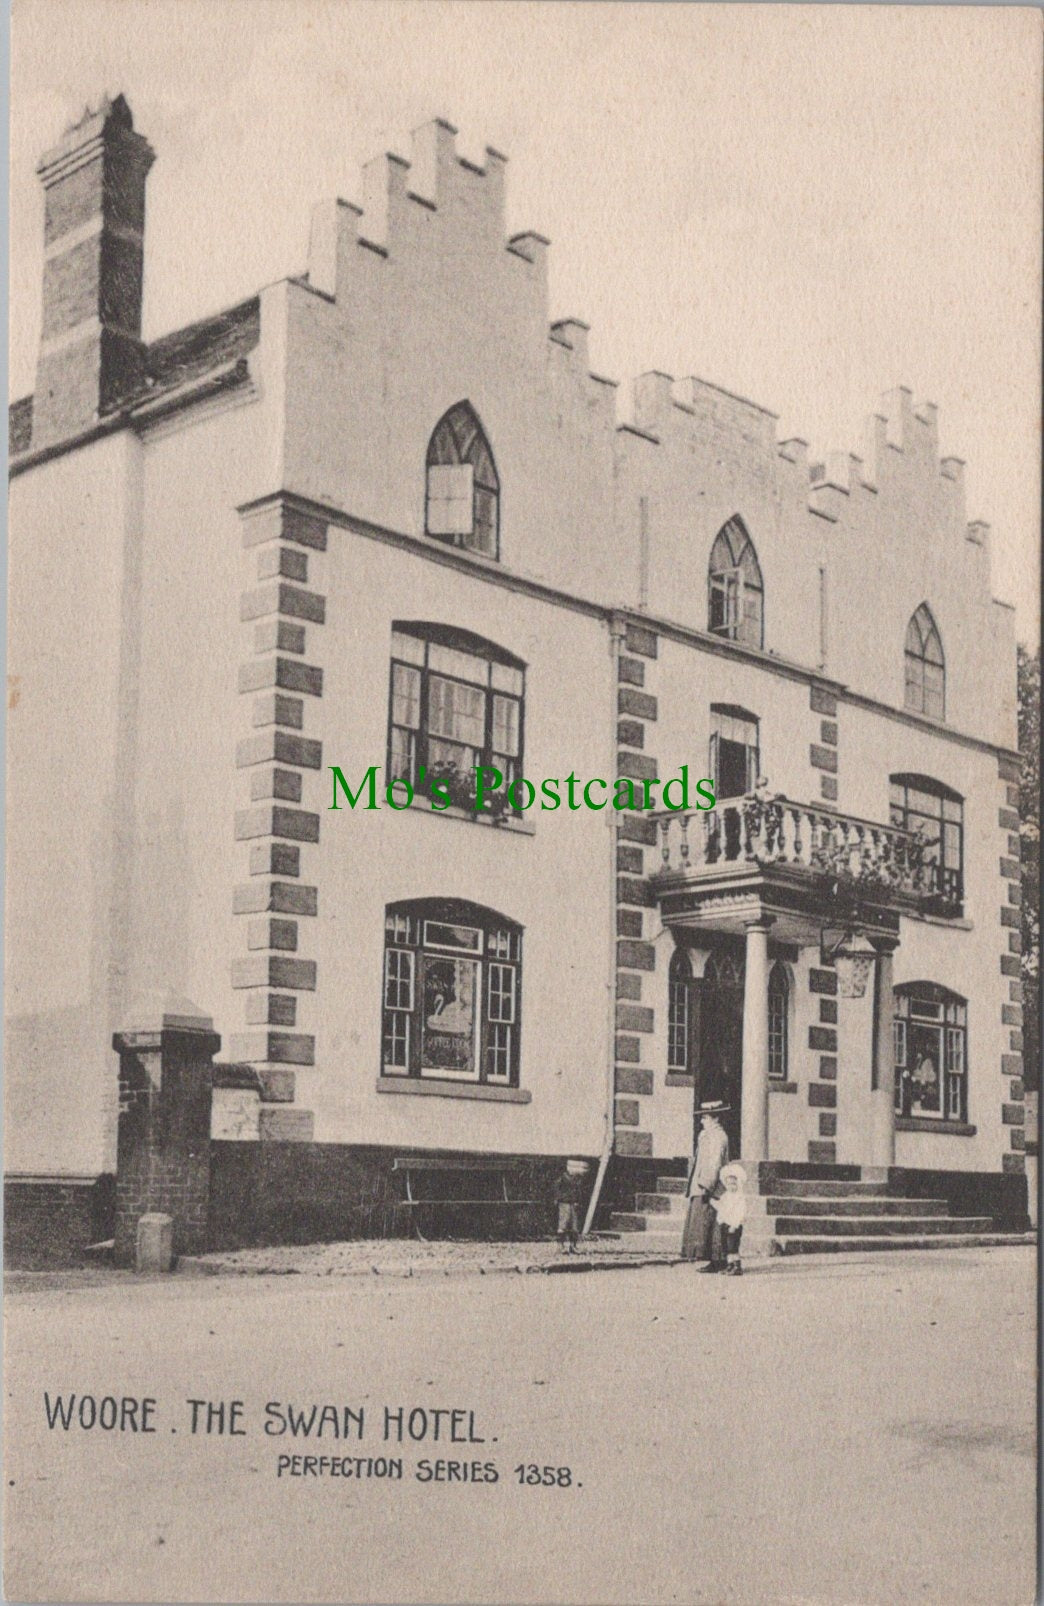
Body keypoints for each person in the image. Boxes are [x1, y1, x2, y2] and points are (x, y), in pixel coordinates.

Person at [681, 1101, 730, 1270]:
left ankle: (719, 1260)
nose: (702, 1121)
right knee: (705, 1224)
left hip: (710, 1188)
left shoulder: (718, 1137)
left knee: (712, 1223)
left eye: (705, 1118)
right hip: (701, 1185)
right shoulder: (706, 1135)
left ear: (715, 1118)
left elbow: (714, 1163)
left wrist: (706, 1185)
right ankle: (714, 1261)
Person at [711, 1162, 747, 1276]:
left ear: (738, 1183)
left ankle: (737, 1266)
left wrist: (735, 1225)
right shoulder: (726, 1196)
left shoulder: (739, 1197)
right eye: (729, 1184)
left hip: (733, 1225)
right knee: (726, 1246)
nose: (731, 1186)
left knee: (733, 1247)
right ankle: (730, 1265)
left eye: (734, 1184)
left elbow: (741, 1213)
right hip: (725, 1224)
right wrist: (713, 1202)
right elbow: (721, 1207)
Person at [554, 1159, 588, 1252]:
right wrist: (559, 1199)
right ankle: (561, 1246)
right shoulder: (563, 1178)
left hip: (574, 1203)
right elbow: (557, 1189)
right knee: (563, 1225)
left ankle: (573, 1246)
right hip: (565, 1203)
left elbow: (579, 1192)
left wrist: (578, 1201)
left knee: (574, 1227)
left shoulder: (577, 1179)